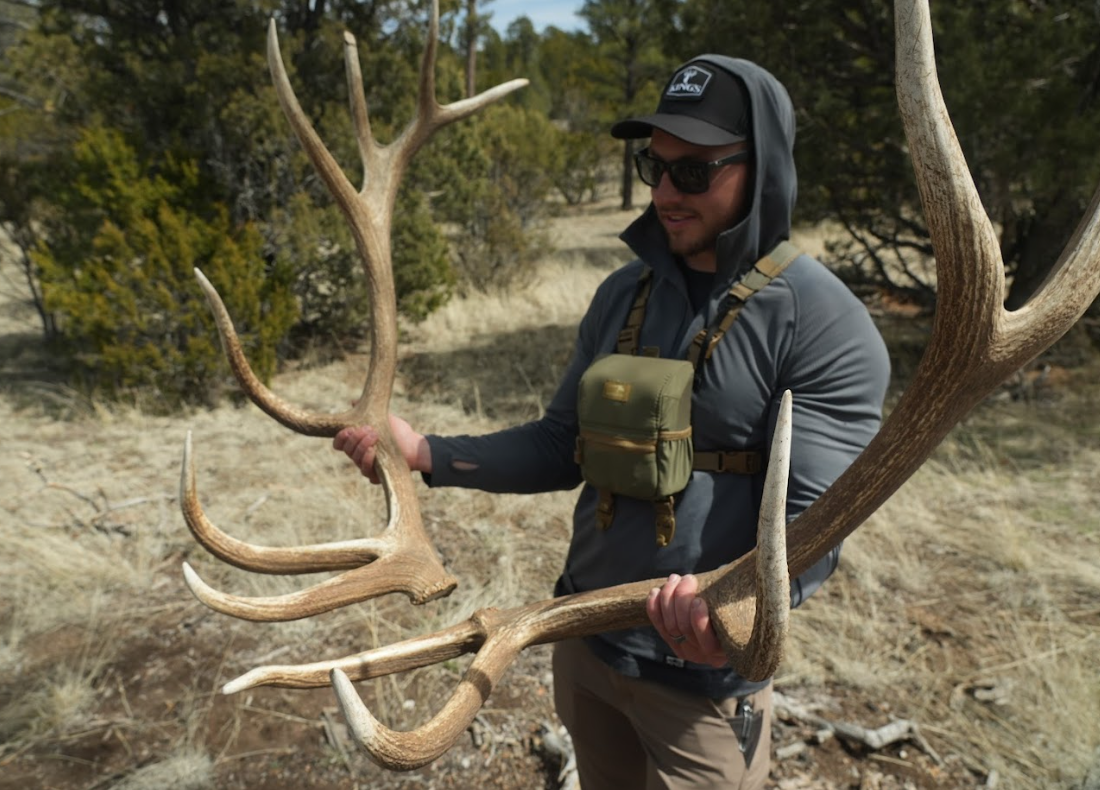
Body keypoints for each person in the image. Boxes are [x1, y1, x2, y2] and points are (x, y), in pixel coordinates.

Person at [335, 55, 890, 790]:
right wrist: (428, 452)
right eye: (651, 165)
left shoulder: (823, 324)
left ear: (764, 169)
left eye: (693, 172)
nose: (663, 192)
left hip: (701, 690)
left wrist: (738, 618)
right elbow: (562, 445)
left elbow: (816, 523)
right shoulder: (623, 295)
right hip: (583, 644)